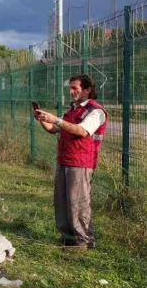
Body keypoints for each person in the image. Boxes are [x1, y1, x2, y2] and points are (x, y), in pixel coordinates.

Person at [33, 74, 107, 250]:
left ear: (88, 90)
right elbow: (53, 129)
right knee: (62, 201)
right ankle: (68, 238)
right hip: (65, 159)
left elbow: (82, 131)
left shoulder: (95, 111)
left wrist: (57, 119)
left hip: (81, 162)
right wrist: (43, 120)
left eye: (75, 88)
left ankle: (83, 241)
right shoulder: (72, 110)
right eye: (71, 87)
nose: (71, 91)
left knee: (78, 202)